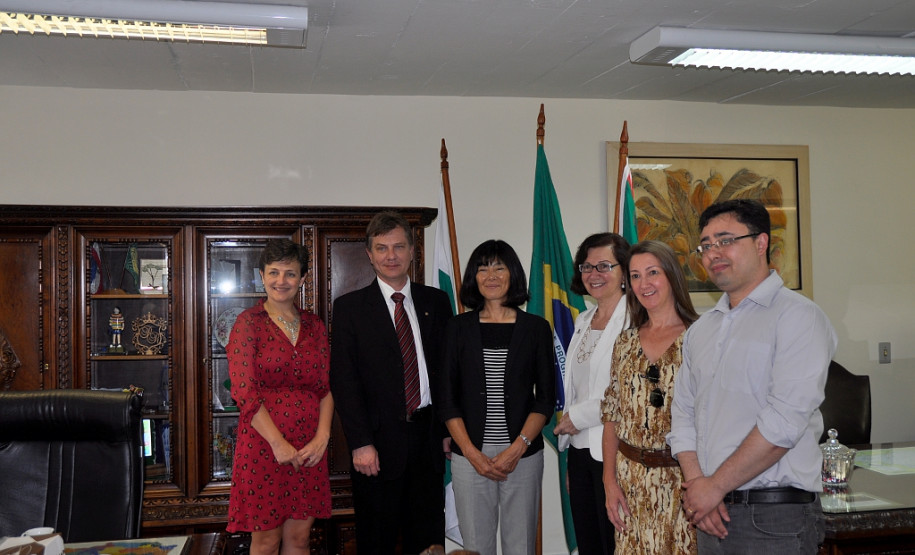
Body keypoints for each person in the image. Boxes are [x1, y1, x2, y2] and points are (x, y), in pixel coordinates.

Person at [669, 199, 837, 553]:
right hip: (709, 513)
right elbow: (683, 413)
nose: (713, 252)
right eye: (706, 245)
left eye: (726, 240)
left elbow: (783, 423)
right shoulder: (703, 329)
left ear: (761, 243)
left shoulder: (799, 318)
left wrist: (713, 486)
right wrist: (700, 485)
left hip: (773, 517)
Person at [330, 211, 453, 554]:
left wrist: (447, 430)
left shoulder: (437, 303)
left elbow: (446, 373)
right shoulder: (350, 309)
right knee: (377, 540)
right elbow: (344, 381)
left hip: (429, 442)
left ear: (413, 250)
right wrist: (360, 443)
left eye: (399, 247)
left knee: (428, 540)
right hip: (376, 447)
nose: (391, 256)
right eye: (382, 248)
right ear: (369, 255)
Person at [436, 239, 555, 555]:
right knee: (476, 547)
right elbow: (446, 398)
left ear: (512, 274)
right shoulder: (457, 328)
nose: (491, 275)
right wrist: (472, 454)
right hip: (469, 454)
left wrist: (518, 449)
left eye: (499, 267)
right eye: (482, 268)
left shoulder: (536, 328)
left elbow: (545, 398)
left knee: (521, 546)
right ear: (473, 277)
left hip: (524, 454)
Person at [226, 238, 334, 555]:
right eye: (274, 272)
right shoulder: (248, 324)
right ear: (262, 276)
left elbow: (326, 389)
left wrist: (322, 438)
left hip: (309, 448)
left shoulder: (315, 326)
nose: (280, 281)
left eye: (290, 273)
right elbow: (244, 394)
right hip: (263, 447)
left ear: (302, 279)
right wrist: (278, 444)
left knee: (300, 541)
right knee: (266, 542)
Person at [601, 240, 699, 554]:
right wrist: (609, 482)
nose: (644, 283)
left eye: (653, 272)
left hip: (682, 480)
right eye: (635, 276)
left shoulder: (700, 336)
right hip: (629, 480)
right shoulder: (625, 342)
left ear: (671, 276)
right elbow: (612, 415)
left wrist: (704, 484)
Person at [553, 232, 631, 555]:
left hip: (616, 454)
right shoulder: (584, 319)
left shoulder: (636, 321)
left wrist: (577, 417)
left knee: (616, 544)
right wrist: (573, 450)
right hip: (580, 452)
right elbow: (576, 388)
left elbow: (627, 393)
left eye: (603, 266)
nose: (593, 275)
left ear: (624, 271)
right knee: (589, 545)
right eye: (586, 266)